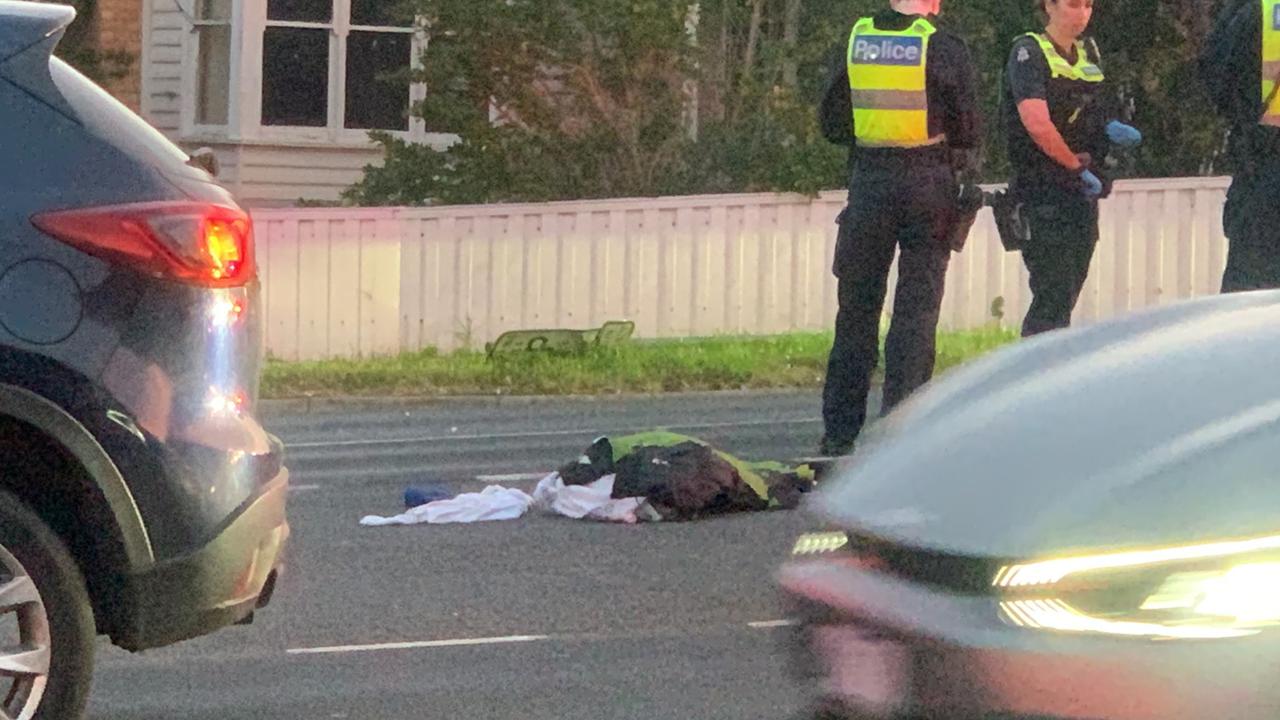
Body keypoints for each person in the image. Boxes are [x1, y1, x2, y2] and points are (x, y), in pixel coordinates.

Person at [816, 0, 982, 457]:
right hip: (928, 182)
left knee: (856, 311)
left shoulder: (856, 38)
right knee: (916, 312)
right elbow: (968, 128)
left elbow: (832, 122)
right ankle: (900, 433)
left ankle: (839, 432)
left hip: (869, 180)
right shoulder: (943, 46)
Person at [1001, 0, 1142, 337]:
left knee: (1068, 290)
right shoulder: (1028, 52)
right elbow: (1036, 123)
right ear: (1048, 6)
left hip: (1079, 194)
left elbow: (1091, 110)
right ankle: (1034, 374)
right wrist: (1073, 167)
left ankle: (1045, 372)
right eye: (1073, 5)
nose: (1082, 14)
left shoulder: (1088, 51)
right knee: (1053, 293)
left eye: (1089, 6)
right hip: (1043, 191)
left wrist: (1107, 128)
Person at [1200, 0, 1280, 292]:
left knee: (1250, 294)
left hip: (1263, 161)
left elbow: (1215, 74)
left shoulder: (1252, 10)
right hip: (1265, 164)